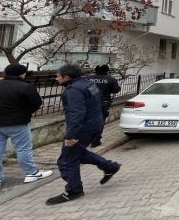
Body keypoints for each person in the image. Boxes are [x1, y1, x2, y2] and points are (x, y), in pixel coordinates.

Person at [46, 65, 122, 205]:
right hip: (94, 124)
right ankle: (110, 166)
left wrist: (70, 136)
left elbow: (77, 114)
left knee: (66, 161)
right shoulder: (88, 83)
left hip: (82, 129)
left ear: (67, 77)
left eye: (58, 76)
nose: (56, 78)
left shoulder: (74, 90)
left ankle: (74, 191)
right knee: (79, 153)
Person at [0, 64, 52, 190]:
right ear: (22, 73)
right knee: (23, 149)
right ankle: (31, 173)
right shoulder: (26, 87)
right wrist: (24, 112)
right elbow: (36, 104)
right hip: (17, 122)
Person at [85, 65, 121, 148]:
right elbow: (116, 90)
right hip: (103, 103)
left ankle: (85, 139)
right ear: (107, 71)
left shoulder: (87, 78)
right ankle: (95, 141)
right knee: (100, 122)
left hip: (88, 103)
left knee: (88, 121)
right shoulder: (111, 79)